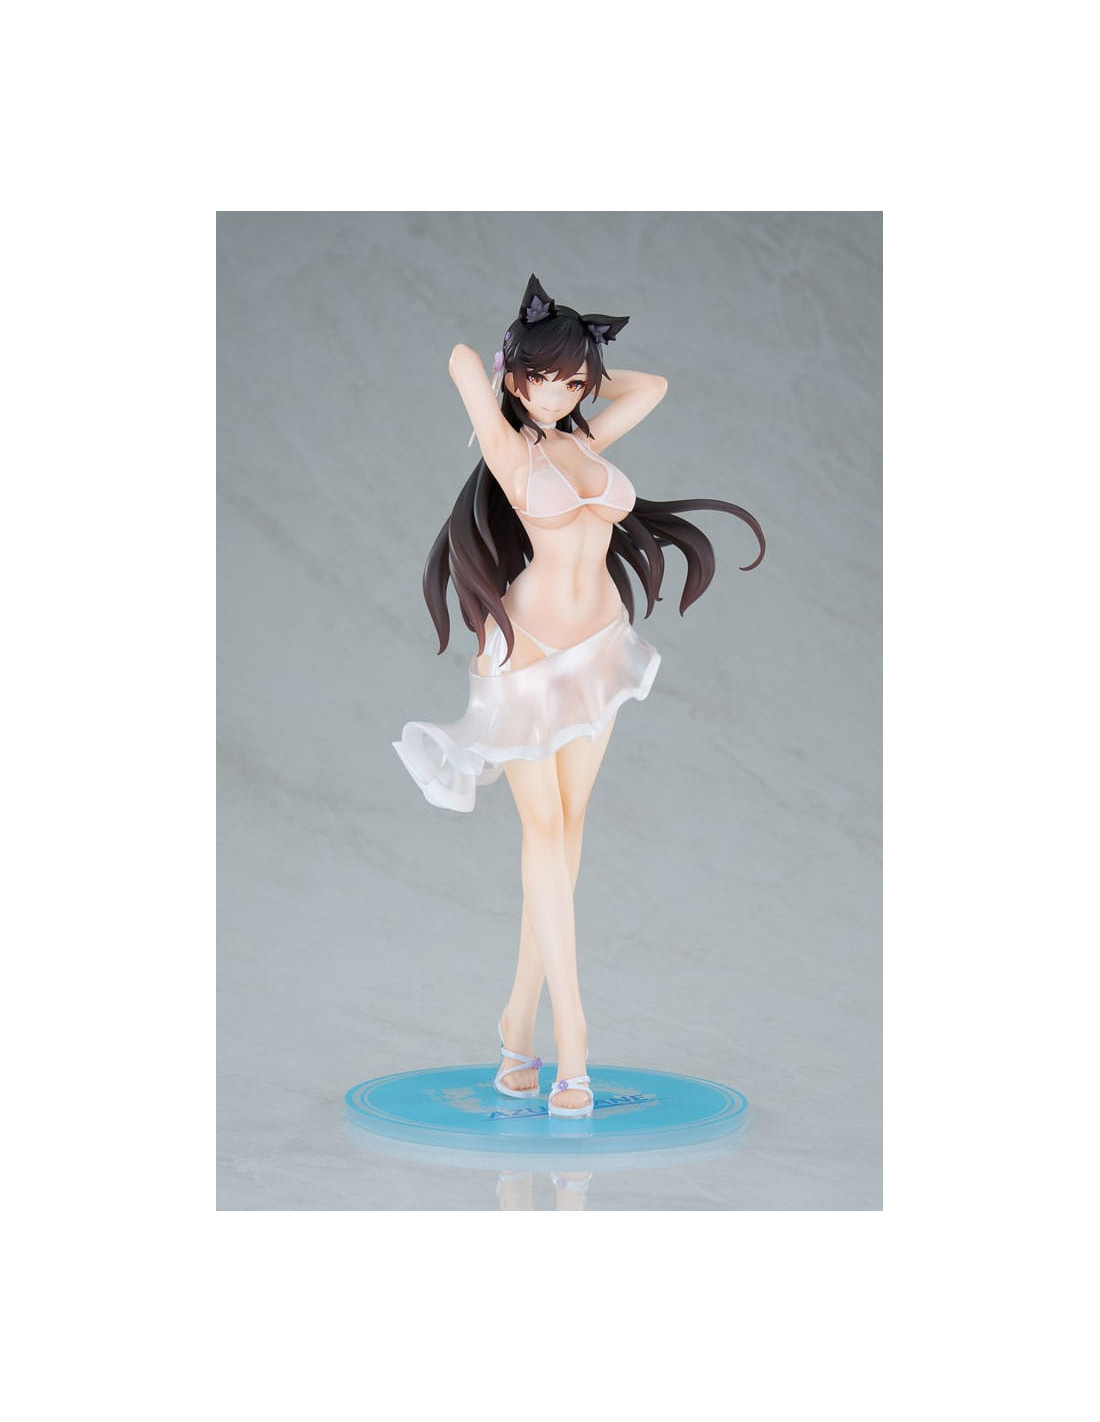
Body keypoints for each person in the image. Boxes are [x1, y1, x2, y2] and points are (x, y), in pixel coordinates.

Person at [393, 274, 764, 1118]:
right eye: (544, 380)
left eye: (573, 383)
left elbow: (654, 385)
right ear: (519, 379)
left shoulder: (585, 434)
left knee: (569, 835)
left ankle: (514, 1022)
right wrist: (510, 372)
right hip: (526, 661)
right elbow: (459, 359)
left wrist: (581, 368)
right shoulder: (509, 450)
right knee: (545, 833)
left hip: (596, 650)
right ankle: (574, 1041)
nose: (559, 395)